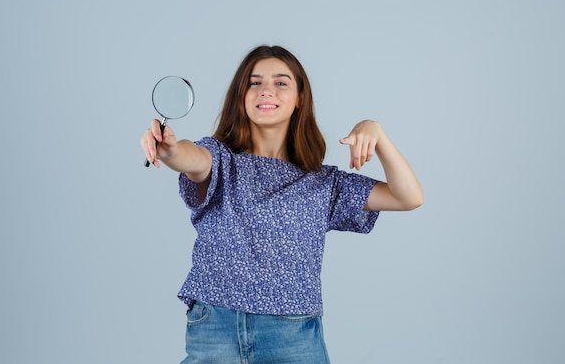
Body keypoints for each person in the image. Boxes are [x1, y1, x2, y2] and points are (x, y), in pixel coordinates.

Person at [140, 45, 423, 364]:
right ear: (241, 96)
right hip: (215, 325)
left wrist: (378, 133)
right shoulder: (221, 158)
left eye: (281, 82)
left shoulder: (324, 184)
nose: (266, 90)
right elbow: (192, 158)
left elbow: (408, 196)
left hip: (292, 336)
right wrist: (170, 151)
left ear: (300, 97)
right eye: (254, 82)